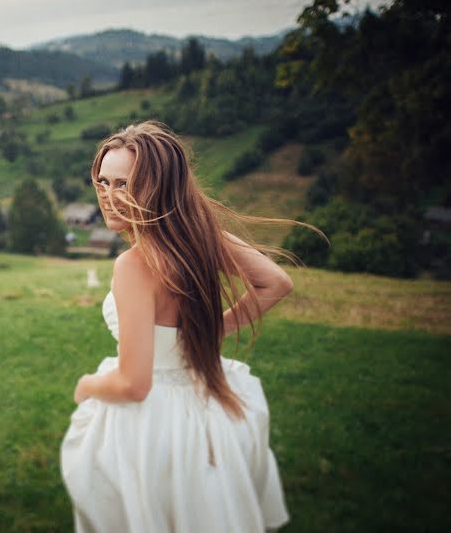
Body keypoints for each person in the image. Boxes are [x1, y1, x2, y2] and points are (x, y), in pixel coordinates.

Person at [61, 121, 310, 532]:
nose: (108, 196)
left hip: (156, 425)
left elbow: (133, 385)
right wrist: (213, 332)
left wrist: (86, 385)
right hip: (207, 408)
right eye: (102, 181)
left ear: (157, 186)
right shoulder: (200, 236)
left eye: (124, 184)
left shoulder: (133, 265)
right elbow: (275, 282)